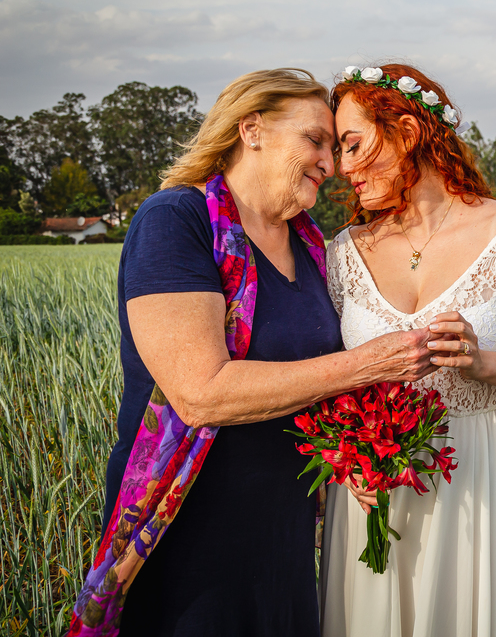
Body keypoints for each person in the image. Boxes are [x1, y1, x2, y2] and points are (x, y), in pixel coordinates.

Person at [71, 69, 438, 637]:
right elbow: (200, 393)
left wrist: (355, 457)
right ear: (252, 130)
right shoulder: (176, 221)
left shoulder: (310, 244)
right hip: (193, 529)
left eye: (335, 146)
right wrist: (371, 363)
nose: (332, 163)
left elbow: (309, 385)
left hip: (286, 532)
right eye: (315, 140)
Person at [320, 64, 496, 637]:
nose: (343, 168)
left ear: (409, 131)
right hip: (370, 496)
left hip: (477, 487)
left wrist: (484, 361)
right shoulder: (340, 254)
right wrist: (344, 457)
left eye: (353, 144)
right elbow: (321, 376)